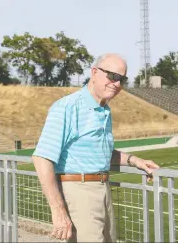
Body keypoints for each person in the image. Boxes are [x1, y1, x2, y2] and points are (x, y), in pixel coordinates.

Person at [32, 53, 160, 242]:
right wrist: (58, 211)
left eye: (122, 79)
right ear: (94, 73)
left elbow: (102, 155)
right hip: (79, 191)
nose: (117, 84)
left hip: (103, 190)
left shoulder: (104, 110)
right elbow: (42, 157)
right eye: (112, 76)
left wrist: (135, 161)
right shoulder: (67, 107)